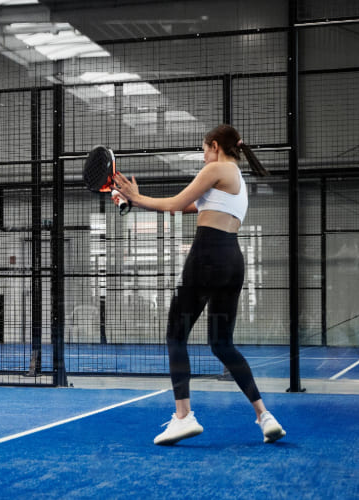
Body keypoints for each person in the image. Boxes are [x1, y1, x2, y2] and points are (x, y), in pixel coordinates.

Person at [112, 124, 286, 446]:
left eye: (204, 149)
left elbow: (176, 203)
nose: (203, 156)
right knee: (222, 344)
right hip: (233, 261)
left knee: (176, 333)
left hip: (208, 255)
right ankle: (265, 416)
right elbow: (188, 205)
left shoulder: (217, 168)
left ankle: (183, 416)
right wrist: (135, 200)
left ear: (216, 146)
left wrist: (135, 195)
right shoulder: (237, 181)